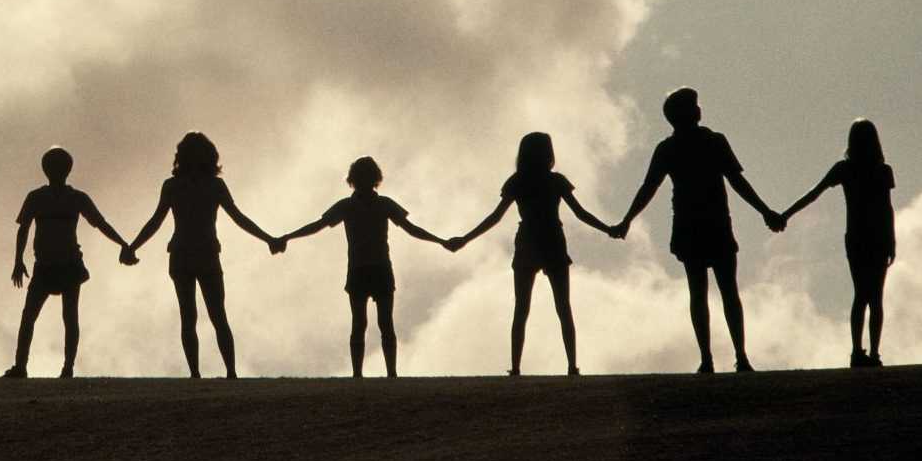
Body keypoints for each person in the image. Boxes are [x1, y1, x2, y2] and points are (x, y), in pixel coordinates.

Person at [610, 87, 782, 374]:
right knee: (728, 291)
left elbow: (648, 188)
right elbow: (737, 182)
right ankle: (739, 356)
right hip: (714, 224)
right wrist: (765, 211)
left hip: (690, 226)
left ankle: (708, 359)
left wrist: (627, 219)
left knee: (699, 292)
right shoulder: (713, 141)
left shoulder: (668, 148)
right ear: (692, 113)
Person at [450, 133, 615, 377]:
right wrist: (609, 229)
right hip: (552, 239)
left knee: (521, 308)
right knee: (563, 307)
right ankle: (571, 366)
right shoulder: (556, 181)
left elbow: (495, 217)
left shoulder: (517, 181)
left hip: (527, 239)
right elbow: (580, 213)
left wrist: (465, 239)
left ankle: (516, 367)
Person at [276, 157, 449, 378]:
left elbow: (317, 225)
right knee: (372, 323)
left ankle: (377, 373)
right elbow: (411, 229)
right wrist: (442, 241)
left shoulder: (358, 205)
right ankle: (375, 373)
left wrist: (286, 237)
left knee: (371, 323)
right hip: (370, 269)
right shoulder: (371, 205)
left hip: (369, 269)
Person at [125, 132, 277, 379]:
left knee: (191, 316)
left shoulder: (174, 185)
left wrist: (133, 247)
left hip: (184, 254)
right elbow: (239, 218)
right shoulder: (212, 185)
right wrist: (269, 239)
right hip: (204, 253)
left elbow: (155, 222)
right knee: (216, 314)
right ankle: (228, 372)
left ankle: (198, 373)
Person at [3, 147, 130, 379]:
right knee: (49, 316)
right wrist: (18, 260)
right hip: (50, 265)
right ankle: (30, 366)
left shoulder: (60, 198)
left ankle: (57, 367)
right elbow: (24, 229)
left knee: (53, 316)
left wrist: (122, 243)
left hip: (65, 264)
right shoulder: (51, 197)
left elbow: (100, 223)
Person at [779, 119, 896, 368]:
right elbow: (887, 209)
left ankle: (857, 351)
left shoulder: (845, 169)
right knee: (875, 297)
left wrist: (785, 215)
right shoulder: (882, 170)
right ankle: (873, 353)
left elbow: (814, 193)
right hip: (876, 237)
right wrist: (891, 239)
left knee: (861, 295)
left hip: (857, 237)